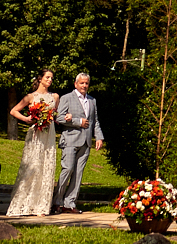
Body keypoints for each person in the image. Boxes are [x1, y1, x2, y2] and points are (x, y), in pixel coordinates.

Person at [5, 69, 60, 216]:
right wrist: (26, 119)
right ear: (40, 79)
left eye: (51, 78)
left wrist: (65, 117)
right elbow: (14, 111)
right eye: (47, 77)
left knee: (45, 167)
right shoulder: (31, 97)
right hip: (36, 134)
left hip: (49, 135)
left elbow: (56, 115)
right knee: (33, 166)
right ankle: (23, 203)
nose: (50, 80)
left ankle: (41, 206)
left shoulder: (54, 97)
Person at [52, 72, 104, 214]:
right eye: (82, 83)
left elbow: (95, 121)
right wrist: (77, 121)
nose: (84, 86)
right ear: (76, 84)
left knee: (78, 173)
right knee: (67, 169)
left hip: (86, 142)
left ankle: (69, 203)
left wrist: (99, 137)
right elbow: (59, 118)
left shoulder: (92, 100)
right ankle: (57, 201)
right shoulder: (67, 98)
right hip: (70, 140)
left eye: (86, 83)